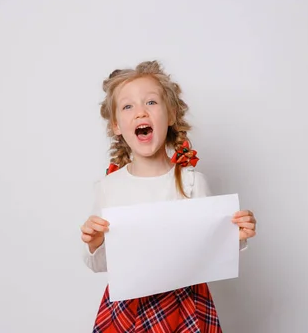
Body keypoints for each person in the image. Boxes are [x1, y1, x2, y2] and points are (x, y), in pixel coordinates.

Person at [81, 60, 257, 332]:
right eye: (128, 106)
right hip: (129, 307)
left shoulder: (192, 182)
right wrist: (95, 243)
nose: (140, 112)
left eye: (151, 102)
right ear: (117, 125)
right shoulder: (109, 187)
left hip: (185, 304)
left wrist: (236, 236)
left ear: (171, 115)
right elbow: (101, 264)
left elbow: (211, 251)